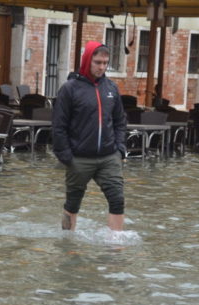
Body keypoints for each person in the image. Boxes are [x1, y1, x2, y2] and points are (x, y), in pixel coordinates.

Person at [52, 41, 127, 232]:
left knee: (117, 199)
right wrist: (66, 156)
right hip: (79, 158)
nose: (102, 67)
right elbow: (59, 126)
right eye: (97, 62)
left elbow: (120, 121)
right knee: (73, 202)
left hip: (109, 157)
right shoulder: (70, 89)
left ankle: (115, 245)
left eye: (105, 63)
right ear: (87, 61)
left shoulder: (111, 88)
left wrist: (119, 149)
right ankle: (67, 241)